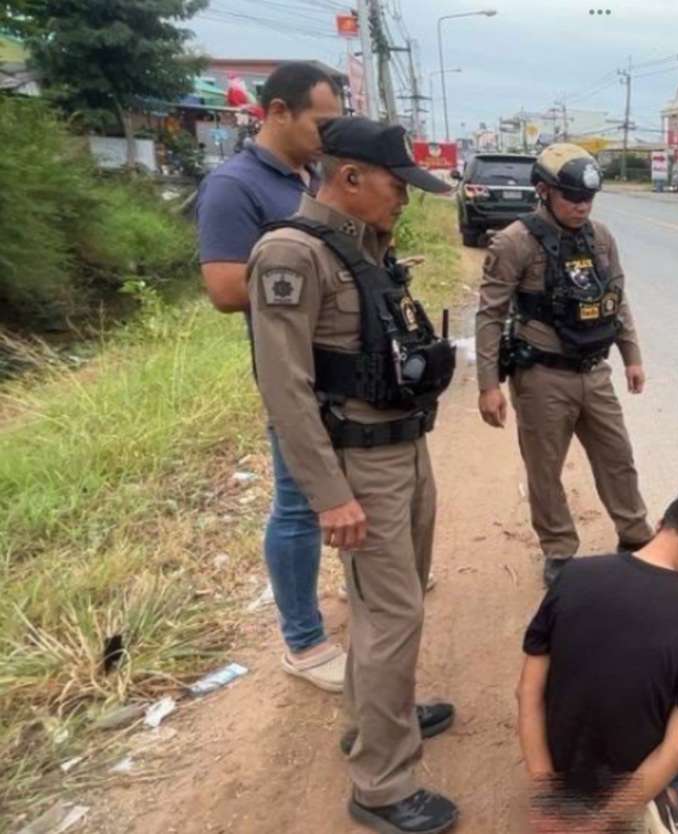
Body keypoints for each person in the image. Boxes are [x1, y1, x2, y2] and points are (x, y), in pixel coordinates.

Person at [248, 117, 459, 834]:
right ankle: (381, 784)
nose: (406, 199)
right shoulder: (291, 254)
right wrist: (329, 494)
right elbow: (284, 389)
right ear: (349, 177)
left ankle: (380, 721)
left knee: (391, 610)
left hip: (403, 448)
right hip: (360, 464)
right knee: (391, 615)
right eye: (398, 186)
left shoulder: (361, 248)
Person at [196, 62, 346, 691]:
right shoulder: (236, 186)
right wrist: (317, 281)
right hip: (293, 369)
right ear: (278, 112)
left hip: (342, 365)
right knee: (298, 504)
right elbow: (226, 288)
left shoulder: (308, 177)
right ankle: (303, 642)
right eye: (322, 122)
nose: (329, 136)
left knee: (347, 483)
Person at [517, 489, 678, 834]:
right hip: (621, 780)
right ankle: (672, 800)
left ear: (660, 525)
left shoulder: (573, 574)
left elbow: (527, 693)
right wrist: (596, 824)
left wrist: (547, 797)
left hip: (561, 768)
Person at [476, 143, 653, 587]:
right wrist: (487, 385)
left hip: (594, 371)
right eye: (572, 197)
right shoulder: (515, 242)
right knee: (545, 469)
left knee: (618, 458)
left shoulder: (601, 237)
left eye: (589, 199)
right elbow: (490, 314)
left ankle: (634, 536)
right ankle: (558, 549)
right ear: (543, 190)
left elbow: (616, 299)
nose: (581, 206)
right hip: (542, 377)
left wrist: (631, 356)